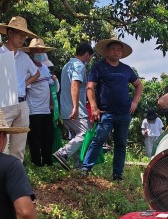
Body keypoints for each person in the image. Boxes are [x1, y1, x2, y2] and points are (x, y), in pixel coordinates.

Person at [80, 37, 142, 181]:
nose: (116, 52)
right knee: (98, 139)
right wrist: (94, 107)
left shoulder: (126, 69)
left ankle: (117, 175)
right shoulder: (99, 67)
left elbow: (139, 85)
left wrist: (135, 102)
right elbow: (90, 87)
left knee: (121, 144)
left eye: (119, 50)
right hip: (106, 113)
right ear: (107, 52)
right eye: (113, 49)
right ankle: (85, 168)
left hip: (124, 113)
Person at [0, 16, 40, 162]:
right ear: (10, 33)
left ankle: (15, 178)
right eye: (19, 34)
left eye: (24, 35)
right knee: (1, 145)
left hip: (22, 104)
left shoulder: (24, 57)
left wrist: (25, 83)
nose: (22, 38)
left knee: (19, 147)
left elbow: (36, 73)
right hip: (3, 104)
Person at [53, 41, 92, 170]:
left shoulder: (67, 66)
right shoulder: (79, 66)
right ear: (86, 55)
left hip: (65, 109)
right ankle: (63, 153)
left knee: (77, 136)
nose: (89, 60)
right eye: (90, 57)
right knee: (86, 133)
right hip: (76, 110)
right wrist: (75, 107)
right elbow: (75, 84)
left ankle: (78, 167)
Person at [22, 37, 57, 167]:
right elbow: (24, 88)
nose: (39, 53)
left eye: (41, 50)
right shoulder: (28, 69)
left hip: (46, 109)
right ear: (31, 52)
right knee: (35, 138)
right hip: (33, 109)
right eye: (36, 50)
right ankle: (37, 162)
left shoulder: (45, 68)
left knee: (48, 136)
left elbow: (51, 87)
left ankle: (48, 161)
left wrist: (53, 104)